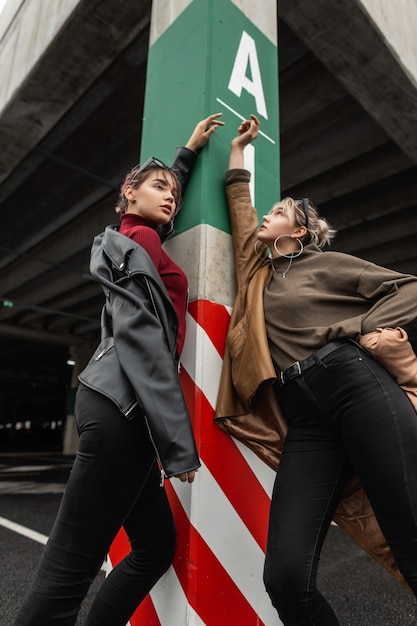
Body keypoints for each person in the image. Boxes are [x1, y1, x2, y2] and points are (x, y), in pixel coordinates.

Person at [14, 113, 224, 626]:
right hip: (121, 406)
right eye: (159, 187)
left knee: (154, 545)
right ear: (127, 193)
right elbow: (142, 338)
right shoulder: (137, 245)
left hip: (122, 407)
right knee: (69, 568)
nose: (171, 196)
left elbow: (158, 200)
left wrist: (187, 154)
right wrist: (178, 444)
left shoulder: (140, 237)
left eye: (175, 192)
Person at [215, 114, 417, 625]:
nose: (269, 213)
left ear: (300, 231)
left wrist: (360, 329)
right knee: (284, 578)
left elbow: (409, 287)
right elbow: (241, 209)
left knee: (410, 539)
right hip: (303, 419)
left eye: (280, 211)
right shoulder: (256, 273)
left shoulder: (328, 265)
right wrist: (238, 152)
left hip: (355, 384)